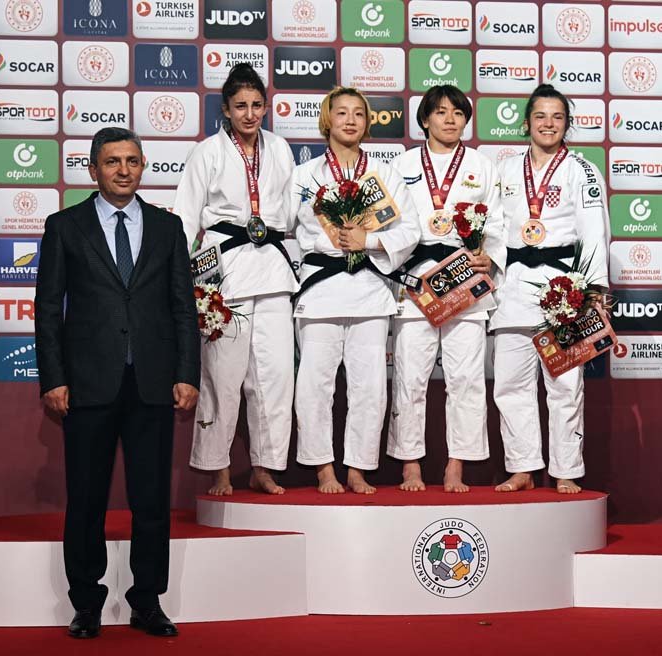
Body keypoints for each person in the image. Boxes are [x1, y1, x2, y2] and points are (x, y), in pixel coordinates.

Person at [35, 127, 200, 639]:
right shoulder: (65, 226)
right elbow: (47, 310)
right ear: (94, 170)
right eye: (112, 162)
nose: (123, 170)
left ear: (143, 165)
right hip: (87, 385)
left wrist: (186, 374)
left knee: (151, 501)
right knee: (86, 500)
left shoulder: (168, 227)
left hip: (153, 383)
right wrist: (54, 378)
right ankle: (85, 604)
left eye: (132, 160)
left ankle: (147, 602)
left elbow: (183, 308)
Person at [289, 86, 420, 494]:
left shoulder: (384, 174)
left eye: (359, 114)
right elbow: (285, 230)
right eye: (342, 112)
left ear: (367, 123)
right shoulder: (304, 174)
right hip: (320, 291)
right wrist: (322, 246)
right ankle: (323, 468)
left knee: (370, 388)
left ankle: (358, 468)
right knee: (314, 385)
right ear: (327, 119)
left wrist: (370, 241)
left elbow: (411, 230)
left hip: (369, 290)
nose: (350, 120)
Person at [174, 64, 297, 497]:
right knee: (222, 378)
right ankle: (218, 467)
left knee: (276, 376)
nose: (250, 114)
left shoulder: (279, 148)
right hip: (224, 273)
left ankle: (266, 465)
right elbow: (186, 217)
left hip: (274, 271)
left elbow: (292, 213)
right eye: (240, 106)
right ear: (226, 109)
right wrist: (184, 281)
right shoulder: (207, 153)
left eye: (257, 105)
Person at [491, 84, 608, 494]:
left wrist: (593, 291)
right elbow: (493, 230)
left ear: (567, 125)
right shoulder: (506, 169)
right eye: (540, 116)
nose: (548, 124)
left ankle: (565, 470)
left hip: (563, 291)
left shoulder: (582, 170)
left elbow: (594, 234)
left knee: (565, 386)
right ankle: (522, 467)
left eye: (557, 117)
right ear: (526, 123)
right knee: (510, 385)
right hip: (512, 287)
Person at [387, 85, 505, 492]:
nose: (450, 119)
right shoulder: (401, 165)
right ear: (425, 119)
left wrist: (489, 256)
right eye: (440, 112)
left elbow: (497, 222)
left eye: (457, 112)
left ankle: (457, 464)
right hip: (416, 280)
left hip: (464, 279)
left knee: (466, 378)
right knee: (410, 378)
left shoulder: (482, 166)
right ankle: (410, 464)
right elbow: (388, 223)